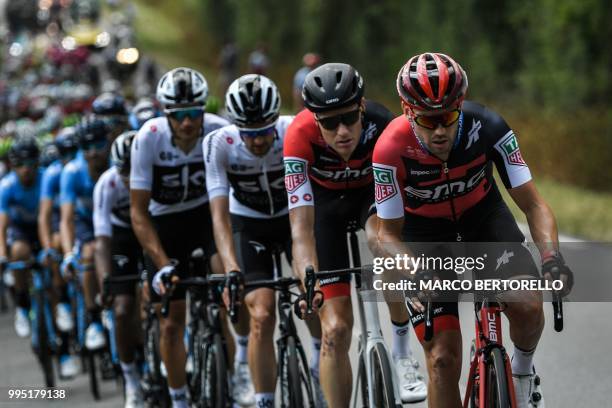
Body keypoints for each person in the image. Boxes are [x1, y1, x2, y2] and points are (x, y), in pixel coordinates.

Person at [373, 52, 575, 408]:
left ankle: (522, 374)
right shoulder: (389, 150)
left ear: (461, 106)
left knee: (527, 304)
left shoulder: (490, 125)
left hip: (484, 220)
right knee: (441, 359)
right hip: (425, 237)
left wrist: (552, 258)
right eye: (427, 120)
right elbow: (386, 235)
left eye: (448, 117)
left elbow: (534, 204)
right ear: (407, 111)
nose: (439, 130)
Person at [284, 63, 427, 407]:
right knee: (334, 332)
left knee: (381, 241)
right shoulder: (297, 135)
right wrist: (308, 280)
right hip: (325, 208)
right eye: (330, 123)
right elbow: (301, 229)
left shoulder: (383, 124)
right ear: (315, 119)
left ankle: (403, 352)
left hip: (370, 196)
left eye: (349, 117)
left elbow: (406, 197)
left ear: (362, 107)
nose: (342, 130)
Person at [204, 74, 326, 407]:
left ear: (276, 120)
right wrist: (231, 268)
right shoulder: (219, 144)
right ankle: (264, 400)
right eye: (249, 133)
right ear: (234, 126)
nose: (258, 141)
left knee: (311, 292)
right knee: (260, 314)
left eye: (264, 132)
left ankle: (318, 367)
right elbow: (218, 216)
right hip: (250, 224)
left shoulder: (294, 130)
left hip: (293, 220)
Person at [130, 67, 229, 408]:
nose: (187, 123)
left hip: (205, 216)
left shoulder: (219, 130)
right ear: (164, 113)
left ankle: (236, 371)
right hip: (164, 225)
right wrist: (160, 265)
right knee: (171, 321)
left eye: (194, 113)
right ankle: (179, 399)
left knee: (230, 288)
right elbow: (138, 213)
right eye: (178, 115)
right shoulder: (148, 138)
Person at [93, 130, 144, 408]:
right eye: (125, 173)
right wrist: (105, 280)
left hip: (149, 232)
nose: (130, 179)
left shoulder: (154, 172)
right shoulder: (107, 184)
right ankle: (131, 379)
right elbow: (102, 241)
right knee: (123, 308)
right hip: (121, 239)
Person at [60, 115, 110, 352]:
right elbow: (66, 219)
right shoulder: (72, 171)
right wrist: (69, 253)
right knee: (88, 254)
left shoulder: (117, 161)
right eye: (86, 148)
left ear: (107, 142)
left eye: (98, 145)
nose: (93, 153)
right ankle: (93, 319)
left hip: (114, 219)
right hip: (87, 223)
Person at [38, 126, 80, 376]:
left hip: (81, 220)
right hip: (59, 222)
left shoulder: (79, 169)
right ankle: (62, 300)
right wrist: (48, 249)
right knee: (56, 242)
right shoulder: (53, 174)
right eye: (64, 153)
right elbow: (46, 217)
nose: (69, 158)